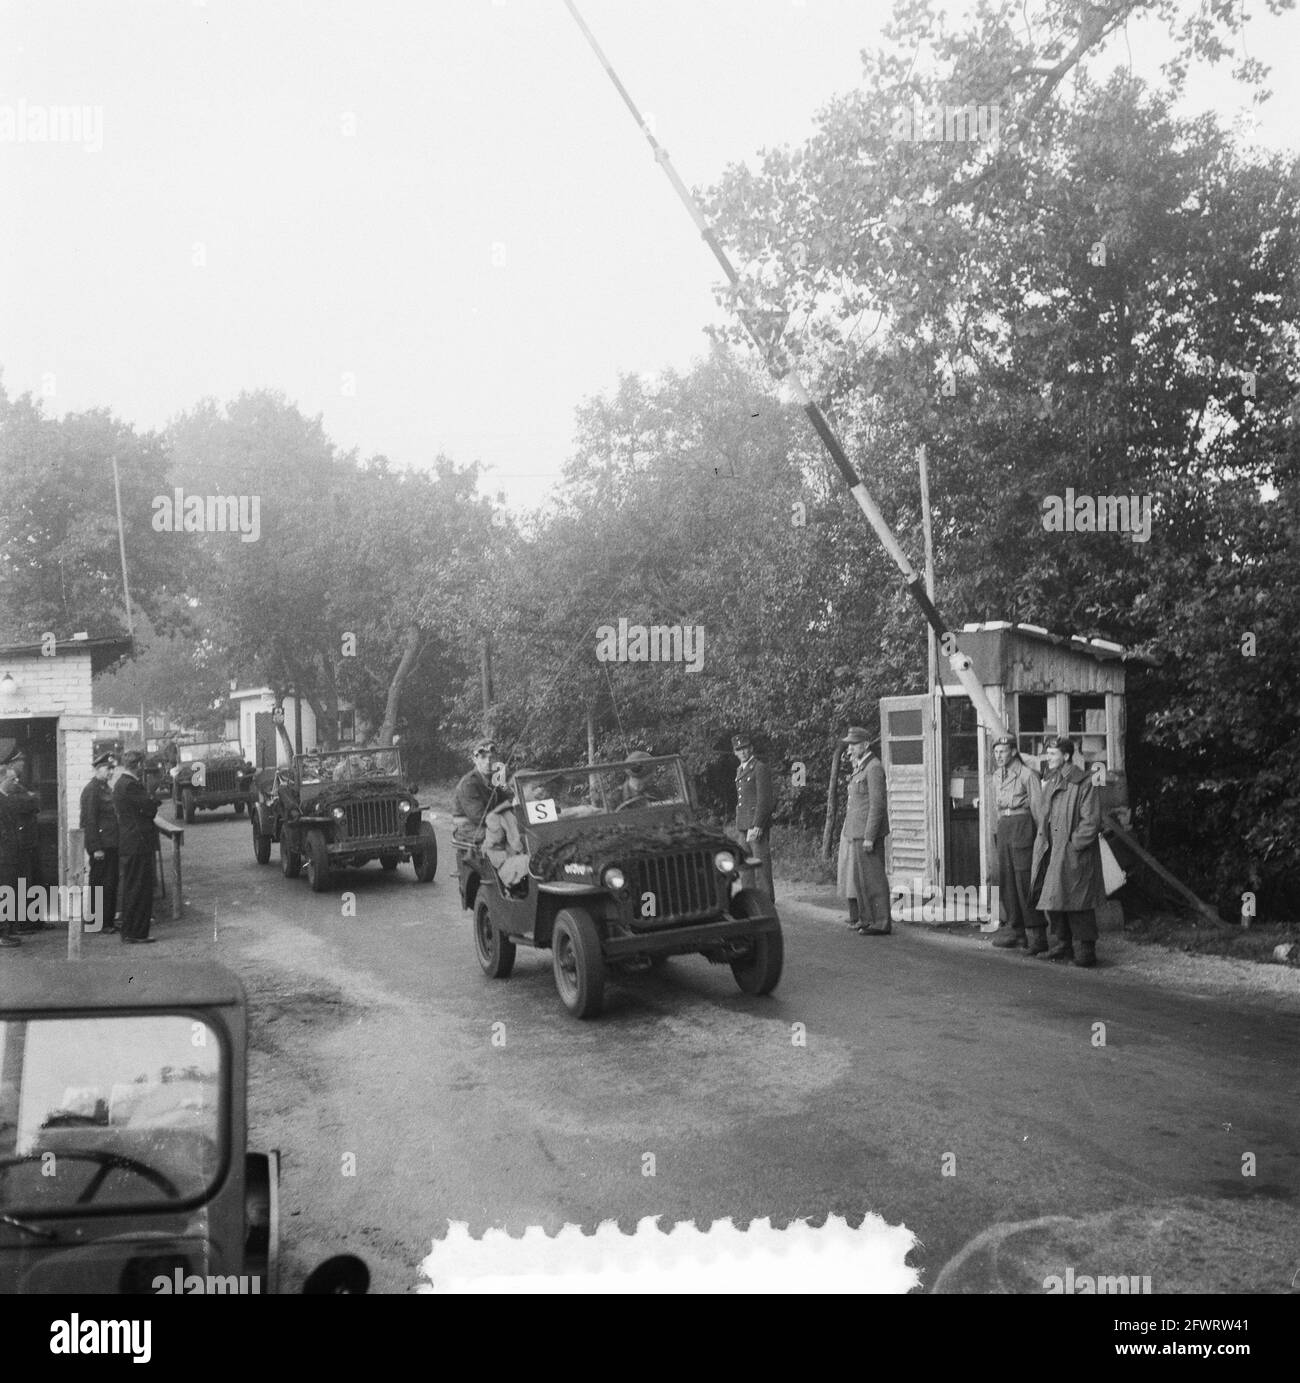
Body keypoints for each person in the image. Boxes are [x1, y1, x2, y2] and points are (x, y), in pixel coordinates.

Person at [1030, 736, 1105, 968]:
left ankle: (1085, 951)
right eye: (1048, 754)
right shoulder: (1051, 780)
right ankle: (1063, 944)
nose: (1048, 758)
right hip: (1052, 849)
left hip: (1072, 852)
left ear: (1066, 756)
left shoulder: (1083, 782)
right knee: (1054, 897)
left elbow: (1090, 821)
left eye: (1053, 754)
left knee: (1078, 901)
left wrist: (1074, 845)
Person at [987, 736, 1045, 952]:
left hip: (1023, 825)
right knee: (1006, 880)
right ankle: (1015, 931)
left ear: (1013, 751)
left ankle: (1037, 935)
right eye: (996, 752)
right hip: (1005, 826)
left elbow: (1038, 809)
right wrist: (996, 832)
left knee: (1024, 880)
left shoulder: (1027, 775)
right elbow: (996, 809)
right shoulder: (996, 776)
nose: (999, 756)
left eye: (1003, 751)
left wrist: (1042, 837)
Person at [837, 727, 891, 935]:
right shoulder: (861, 767)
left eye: (853, 744)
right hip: (857, 831)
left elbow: (877, 806)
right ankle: (866, 919)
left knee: (874, 879)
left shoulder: (874, 767)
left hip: (868, 833)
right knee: (861, 880)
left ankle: (881, 922)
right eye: (849, 744)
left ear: (866, 744)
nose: (849, 748)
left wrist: (870, 836)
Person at [1, 750, 52, 932]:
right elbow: (22, 805)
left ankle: (34, 920)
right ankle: (23, 922)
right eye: (20, 762)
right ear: (10, 765)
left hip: (29, 839)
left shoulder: (18, 785)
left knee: (35, 880)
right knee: (23, 882)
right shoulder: (9, 785)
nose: (23, 764)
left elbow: (38, 802)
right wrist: (31, 798)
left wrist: (31, 799)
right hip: (20, 841)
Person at [113, 750, 160, 944]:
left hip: (131, 841)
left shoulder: (121, 784)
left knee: (133, 886)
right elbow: (149, 807)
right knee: (139, 888)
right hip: (138, 842)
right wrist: (152, 800)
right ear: (139, 765)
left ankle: (131, 930)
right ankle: (136, 932)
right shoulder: (130, 785)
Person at [80, 753, 120, 934]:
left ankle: (108, 921)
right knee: (101, 883)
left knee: (110, 882)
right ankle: (98, 922)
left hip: (111, 843)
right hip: (101, 846)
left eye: (112, 768)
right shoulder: (92, 790)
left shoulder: (104, 788)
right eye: (107, 768)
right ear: (97, 769)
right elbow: (89, 821)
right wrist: (95, 847)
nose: (111, 772)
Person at [733, 734, 774, 900]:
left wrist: (757, 825)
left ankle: (767, 899)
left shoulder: (759, 768)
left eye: (745, 748)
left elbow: (764, 800)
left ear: (751, 748)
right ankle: (749, 898)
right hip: (743, 824)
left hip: (755, 825)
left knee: (761, 864)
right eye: (738, 749)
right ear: (734, 752)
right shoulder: (740, 769)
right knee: (744, 864)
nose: (742, 752)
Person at [482, 778, 535, 888]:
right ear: (518, 791)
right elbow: (494, 852)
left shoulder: (542, 809)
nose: (540, 791)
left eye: (541, 786)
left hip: (537, 859)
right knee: (531, 863)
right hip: (512, 866)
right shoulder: (499, 816)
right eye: (533, 788)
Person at [453, 742, 509, 843]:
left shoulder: (494, 779)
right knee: (502, 835)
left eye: (491, 757)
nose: (488, 762)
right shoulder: (468, 784)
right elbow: (479, 817)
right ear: (475, 760)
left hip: (487, 821)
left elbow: (507, 799)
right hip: (469, 826)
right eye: (483, 757)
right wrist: (504, 822)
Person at [0, 784, 20, 948]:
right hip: (3, 855)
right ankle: (3, 934)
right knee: (4, 893)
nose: (15, 782)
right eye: (11, 779)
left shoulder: (4, 799)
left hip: (5, 854)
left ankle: (6, 931)